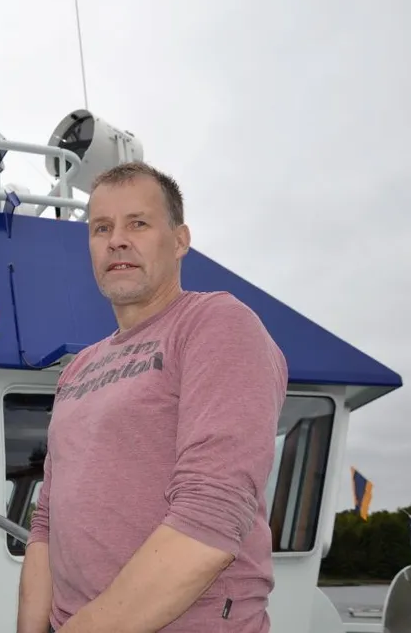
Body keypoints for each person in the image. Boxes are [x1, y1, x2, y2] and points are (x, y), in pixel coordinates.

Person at [17, 162, 288, 633]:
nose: (117, 241)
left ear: (180, 240)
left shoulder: (216, 324)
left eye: (138, 223)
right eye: (102, 228)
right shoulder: (78, 369)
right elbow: (46, 523)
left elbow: (212, 514)